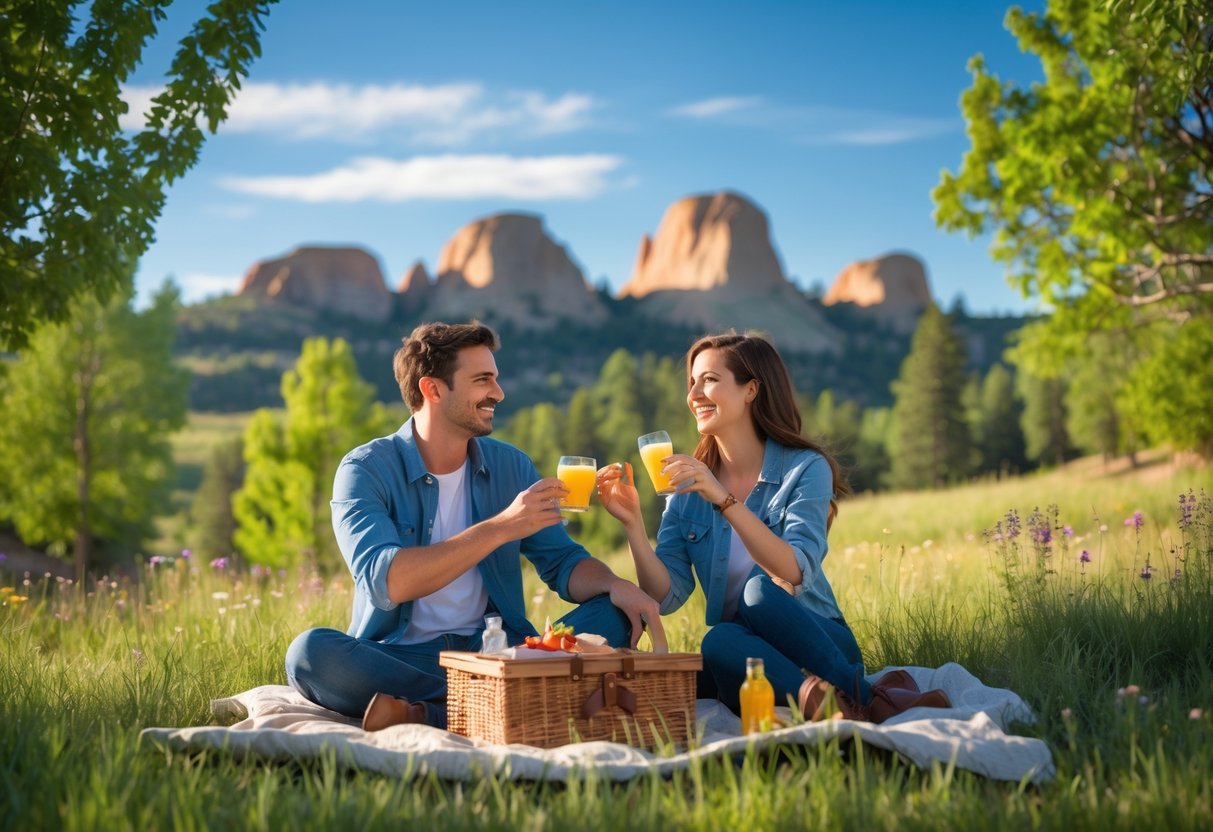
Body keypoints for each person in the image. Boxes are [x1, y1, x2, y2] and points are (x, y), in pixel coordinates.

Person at [285, 321, 662, 731]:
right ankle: (508, 702)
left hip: (501, 650)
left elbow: (564, 564)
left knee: (613, 614)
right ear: (432, 390)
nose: (498, 393)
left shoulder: (510, 465)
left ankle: (434, 713)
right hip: (402, 656)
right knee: (310, 654)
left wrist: (613, 583)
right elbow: (387, 581)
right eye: (483, 381)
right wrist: (501, 527)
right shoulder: (365, 470)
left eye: (496, 379)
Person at [596, 332, 950, 723]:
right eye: (692, 382)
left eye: (709, 379)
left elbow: (794, 570)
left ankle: (863, 694)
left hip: (818, 643)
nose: (694, 393)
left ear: (750, 390)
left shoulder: (804, 469)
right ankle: (829, 704)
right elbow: (665, 596)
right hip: (750, 653)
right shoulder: (688, 489)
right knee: (718, 639)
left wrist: (724, 500)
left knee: (758, 590)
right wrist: (633, 525)